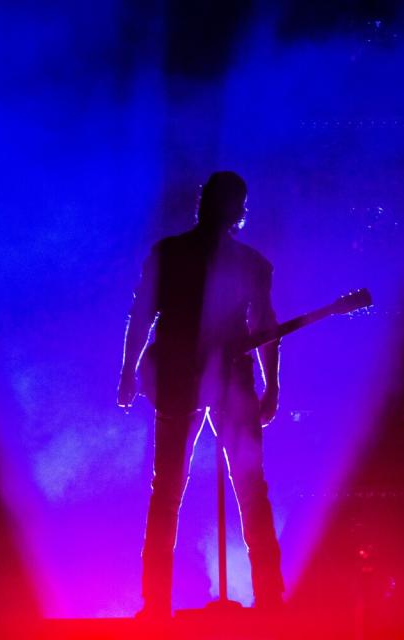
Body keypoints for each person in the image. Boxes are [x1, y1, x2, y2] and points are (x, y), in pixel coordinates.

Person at [117, 171, 285, 617]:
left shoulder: (169, 255)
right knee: (250, 489)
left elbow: (141, 317)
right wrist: (271, 386)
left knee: (167, 491)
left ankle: (156, 606)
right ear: (237, 211)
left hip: (179, 381)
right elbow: (265, 330)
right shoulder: (250, 263)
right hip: (225, 383)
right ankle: (271, 602)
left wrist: (129, 374)